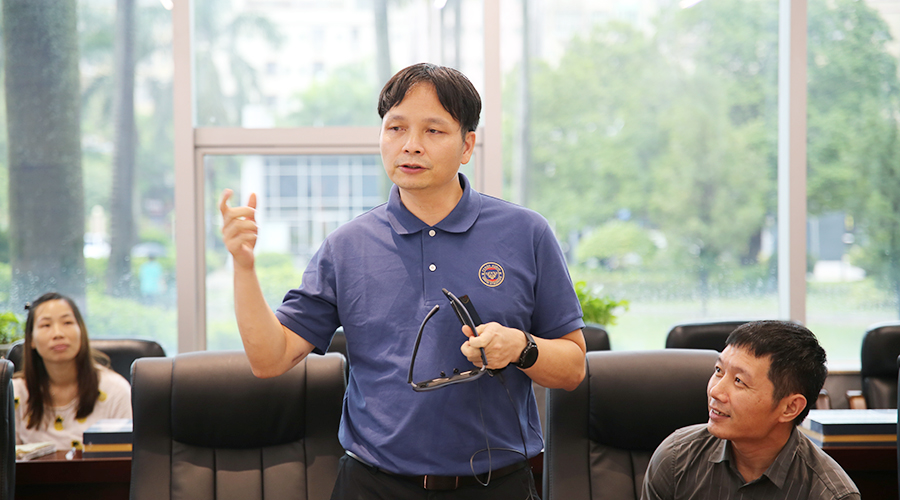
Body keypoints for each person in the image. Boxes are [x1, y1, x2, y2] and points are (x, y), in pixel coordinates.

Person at [220, 62, 586, 499]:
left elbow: (573, 367)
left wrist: (520, 347)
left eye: (433, 130)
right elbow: (270, 358)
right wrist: (243, 267)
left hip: (497, 485)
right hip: (372, 485)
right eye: (396, 128)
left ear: (467, 145)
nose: (411, 145)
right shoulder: (347, 246)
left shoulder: (526, 233)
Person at [641, 320, 860, 500]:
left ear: (790, 408)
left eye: (739, 381)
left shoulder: (829, 494)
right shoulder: (676, 458)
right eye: (718, 370)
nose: (716, 391)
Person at [13, 292, 132, 450]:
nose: (58, 334)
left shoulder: (116, 391)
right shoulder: (14, 394)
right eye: (46, 325)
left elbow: (126, 458)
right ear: (31, 340)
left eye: (67, 322)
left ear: (81, 331)